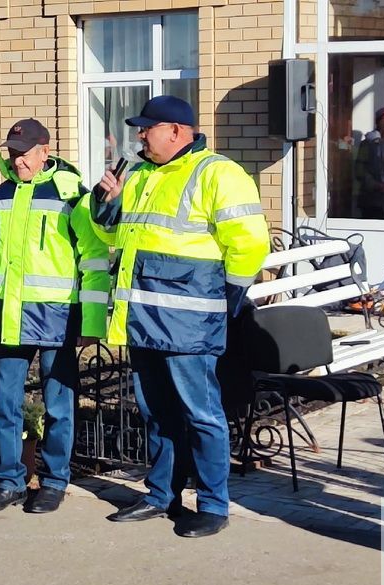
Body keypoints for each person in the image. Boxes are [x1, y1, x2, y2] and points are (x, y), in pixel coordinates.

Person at [90, 95, 271, 537]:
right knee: (156, 413)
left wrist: (224, 301)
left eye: (146, 128)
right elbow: (112, 234)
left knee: (201, 414)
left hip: (189, 324)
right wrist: (105, 202)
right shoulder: (140, 174)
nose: (139, 136)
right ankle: (160, 495)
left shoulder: (218, 173)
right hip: (144, 320)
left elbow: (249, 244)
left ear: (176, 131)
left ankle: (213, 504)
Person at [0, 119, 110, 514]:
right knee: (5, 405)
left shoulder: (72, 196)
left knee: (58, 407)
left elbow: (95, 262)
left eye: (24, 153)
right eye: (12, 153)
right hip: (8, 318)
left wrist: (93, 322)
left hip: (56, 318)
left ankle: (54, 482)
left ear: (45, 151)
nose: (17, 161)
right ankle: (10, 482)